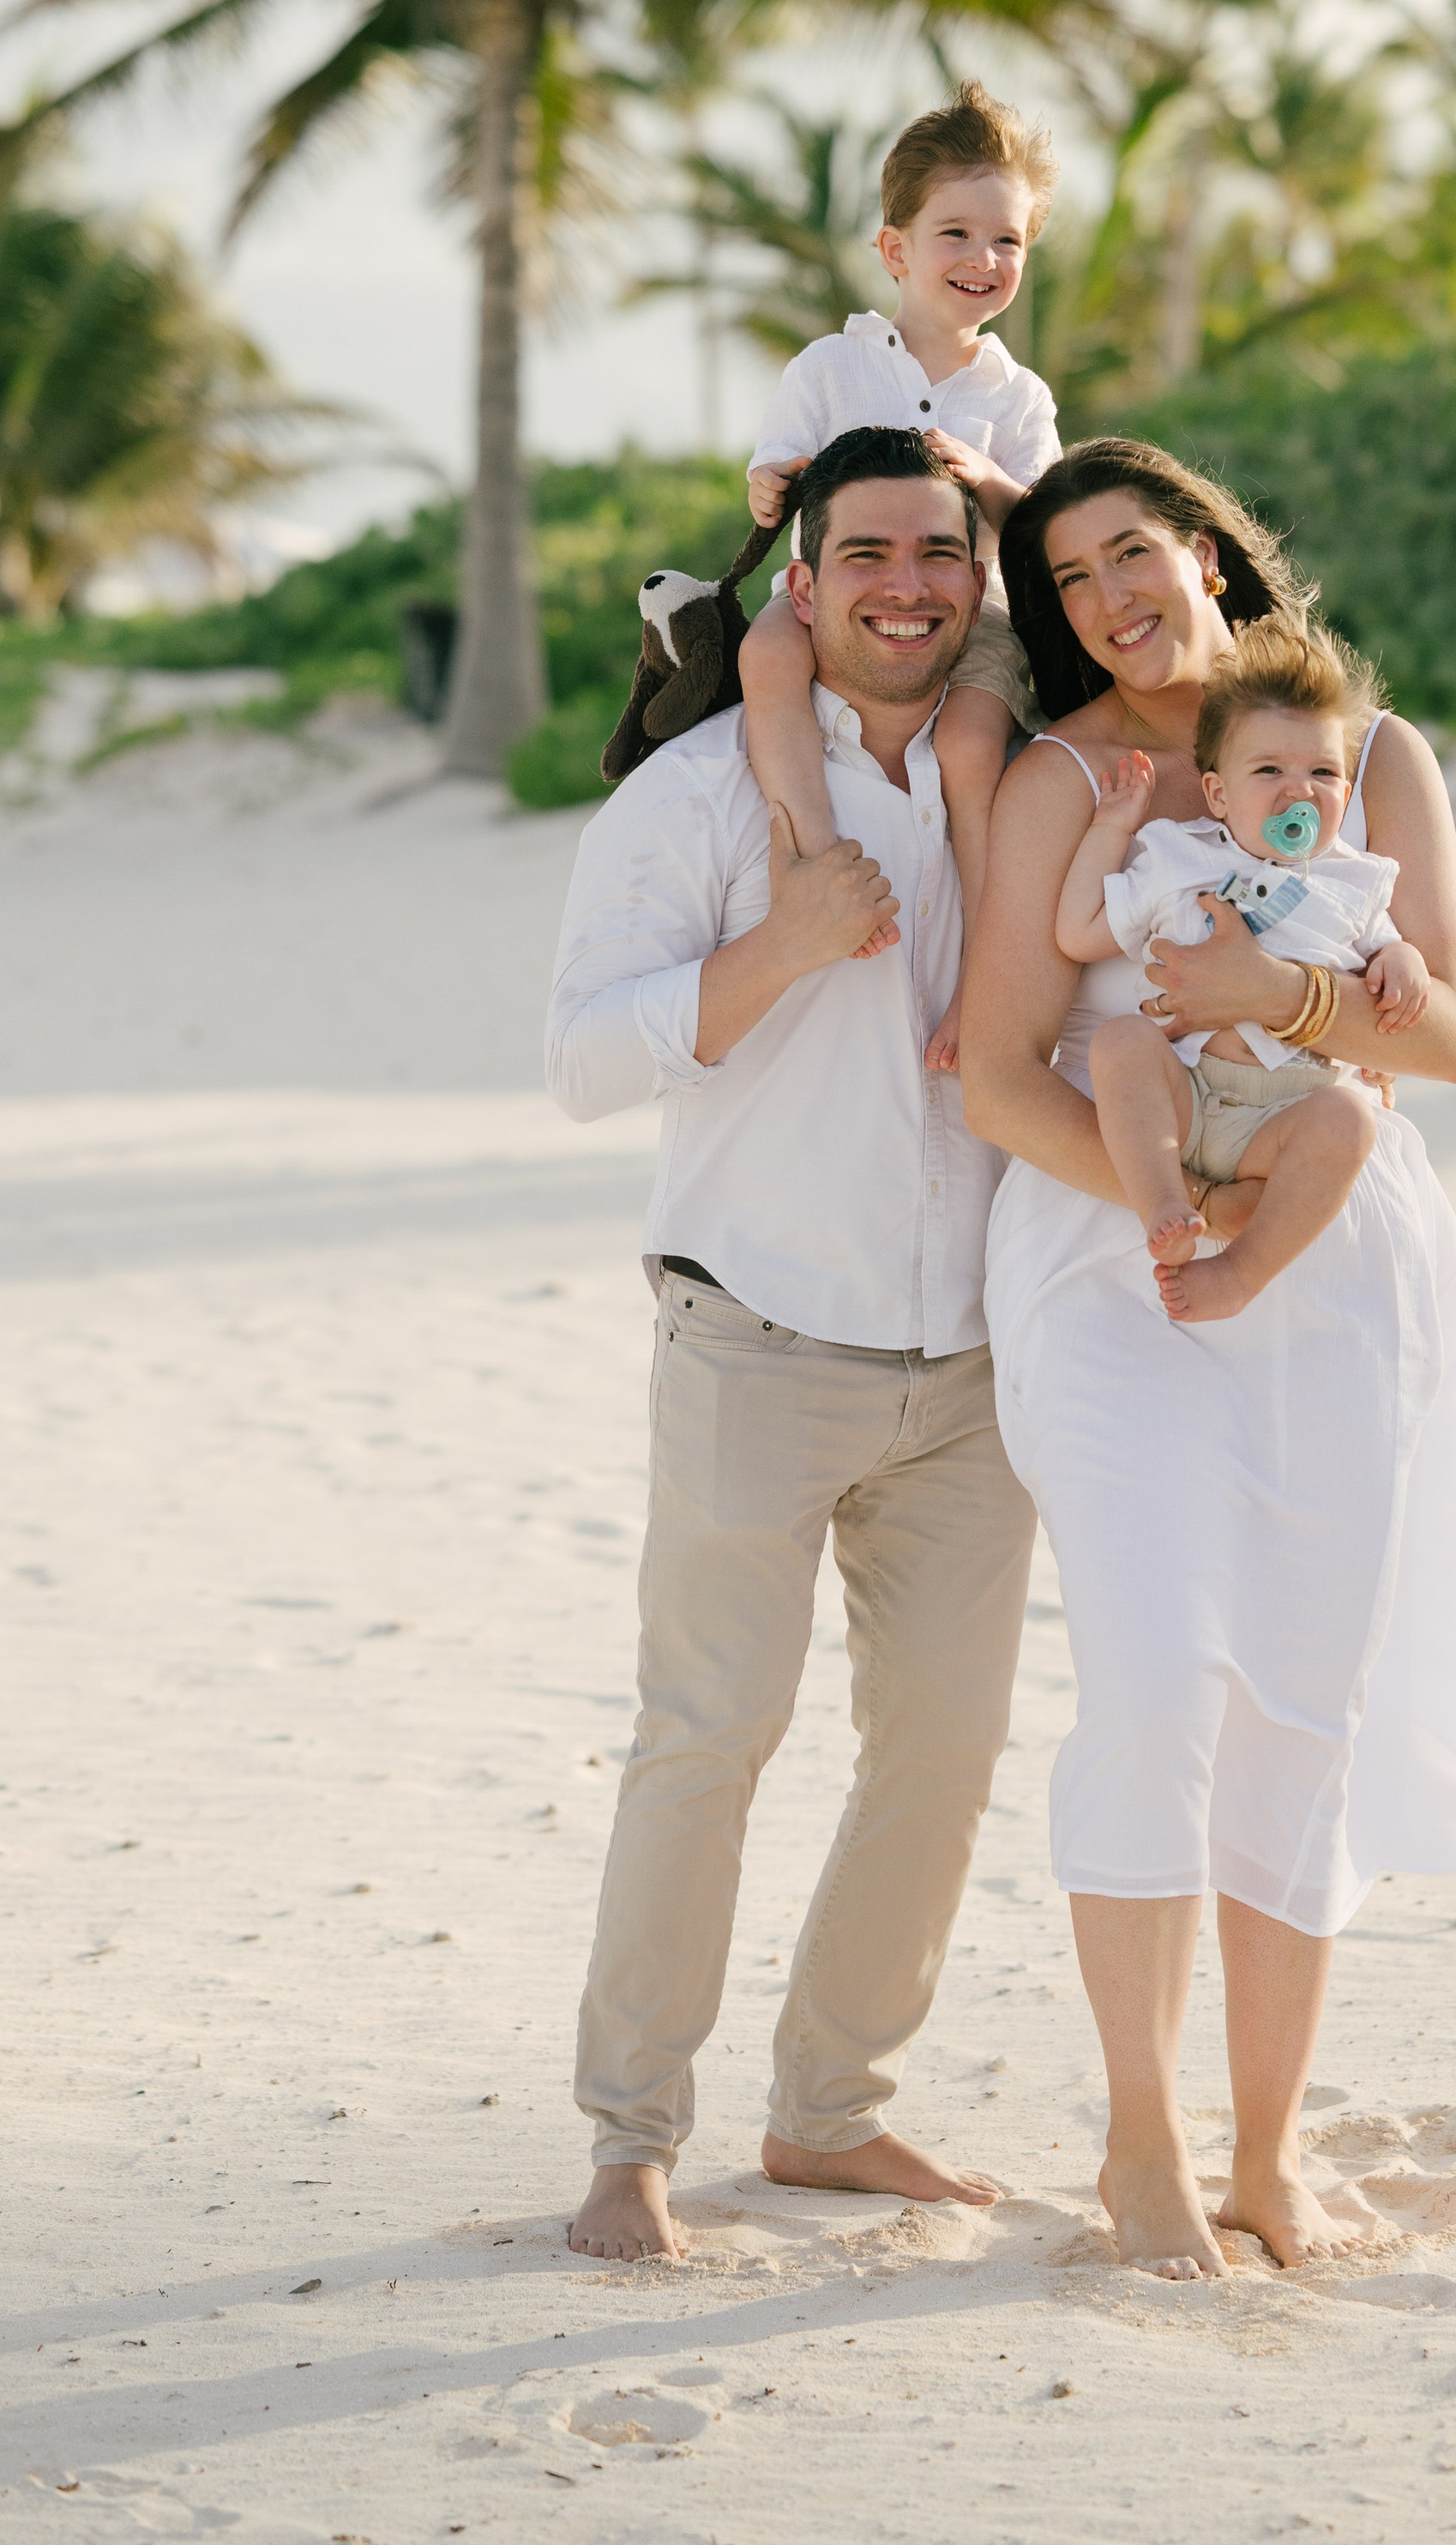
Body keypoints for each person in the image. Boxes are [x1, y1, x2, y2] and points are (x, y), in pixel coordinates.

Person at [963, 435, 1456, 2285]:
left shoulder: (1363, 747)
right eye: (1067, 580)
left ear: (1206, 550)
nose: (1108, 599)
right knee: (1158, 1679)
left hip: (1336, 1269)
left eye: (1131, 554)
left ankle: (1265, 2151)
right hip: (1116, 1254)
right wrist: (1183, 1217)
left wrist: (1291, 1010)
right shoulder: (1061, 780)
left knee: (1300, 1703)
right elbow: (1002, 1065)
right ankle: (1140, 2144)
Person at [545, 425, 1038, 2265]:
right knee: (706, 1742)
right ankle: (628, 2138)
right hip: (753, 1343)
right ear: (805, 583)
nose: (905, 587)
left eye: (938, 554)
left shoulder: (1020, 777)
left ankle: (831, 2114)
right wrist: (785, 944)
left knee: (942, 1752)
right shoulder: (695, 802)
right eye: (866, 559)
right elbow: (583, 1059)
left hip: (974, 1369)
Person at [739, 81, 1062, 1072]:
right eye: (955, 234)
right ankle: (811, 850)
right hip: (836, 606)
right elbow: (778, 471)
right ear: (895, 249)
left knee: (970, 743)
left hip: (977, 614)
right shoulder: (830, 366)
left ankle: (982, 972)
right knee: (764, 653)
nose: (981, 260)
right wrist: (768, 484)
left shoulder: (1016, 394)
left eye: (1006, 241)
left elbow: (1048, 529)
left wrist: (993, 484)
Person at [1055, 613, 1432, 1320]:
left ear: (1345, 796)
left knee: (1351, 1119)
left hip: (1289, 1114)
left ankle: (1239, 1274)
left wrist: (1403, 961)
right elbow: (1078, 933)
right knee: (1122, 1044)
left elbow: (1388, 947)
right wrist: (1111, 827)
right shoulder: (1178, 854)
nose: (1300, 791)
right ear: (1219, 793)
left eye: (1323, 773)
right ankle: (1165, 1198)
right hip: (1190, 1096)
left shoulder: (1351, 881)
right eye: (1269, 771)